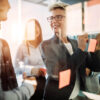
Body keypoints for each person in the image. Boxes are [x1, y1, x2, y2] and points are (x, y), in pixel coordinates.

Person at [41, 2, 89, 100]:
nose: (54, 21)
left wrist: (94, 47)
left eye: (58, 17)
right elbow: (61, 74)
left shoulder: (75, 42)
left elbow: (89, 65)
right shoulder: (46, 45)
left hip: (77, 95)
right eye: (52, 18)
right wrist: (80, 50)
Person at [0, 0, 36, 100]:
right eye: (1, 10)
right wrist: (30, 72)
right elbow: (17, 68)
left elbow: (11, 78)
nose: (5, 18)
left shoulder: (4, 44)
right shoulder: (21, 46)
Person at [14, 18, 46, 100]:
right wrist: (31, 70)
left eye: (36, 27)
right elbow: (15, 69)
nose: (35, 30)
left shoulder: (44, 46)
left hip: (43, 83)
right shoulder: (22, 46)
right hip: (29, 82)